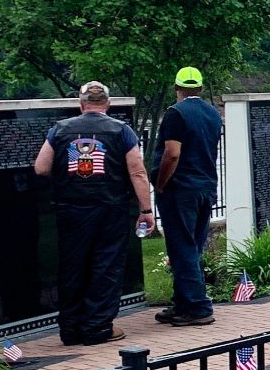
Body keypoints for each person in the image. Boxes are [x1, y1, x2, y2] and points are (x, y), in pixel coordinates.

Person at [33, 82, 153, 345]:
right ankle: (97, 327)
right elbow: (137, 172)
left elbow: (41, 167)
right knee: (106, 265)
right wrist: (145, 209)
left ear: (81, 103)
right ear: (107, 104)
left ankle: (70, 329)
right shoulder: (122, 131)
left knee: (72, 266)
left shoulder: (60, 130)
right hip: (110, 208)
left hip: (70, 209)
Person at [152, 67, 220, 328]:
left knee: (182, 247)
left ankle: (198, 307)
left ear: (177, 87)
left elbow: (172, 153)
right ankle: (182, 303)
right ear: (200, 88)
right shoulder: (212, 113)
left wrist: (160, 184)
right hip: (206, 187)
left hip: (180, 189)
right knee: (193, 245)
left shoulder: (175, 113)